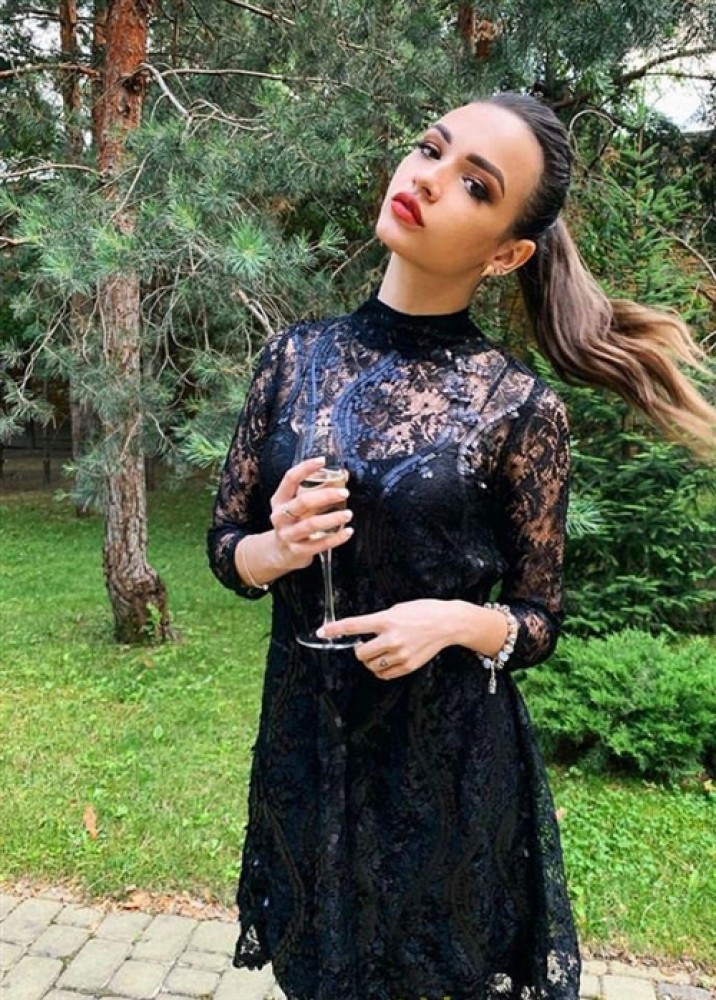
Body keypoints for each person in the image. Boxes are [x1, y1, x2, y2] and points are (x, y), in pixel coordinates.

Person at [207, 93, 716, 1000]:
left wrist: (450, 622)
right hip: (306, 753)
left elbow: (539, 620)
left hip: (445, 773)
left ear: (507, 253)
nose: (430, 179)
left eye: (476, 186)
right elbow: (225, 548)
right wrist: (275, 550)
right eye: (430, 150)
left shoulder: (519, 409)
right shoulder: (293, 359)